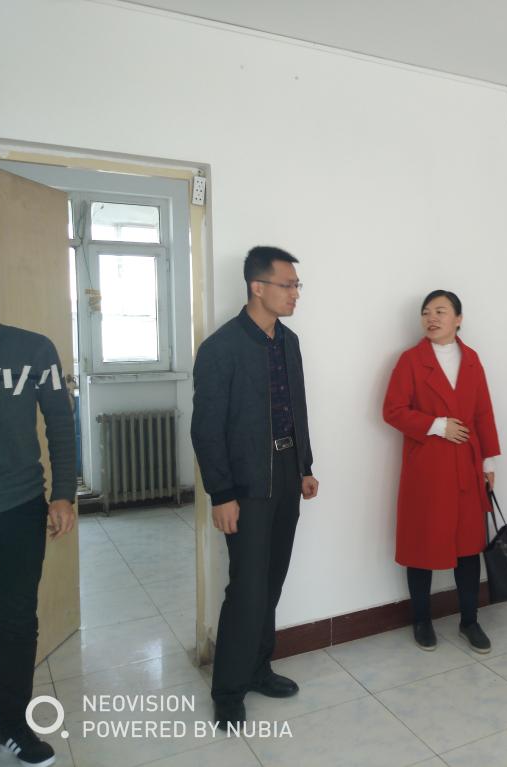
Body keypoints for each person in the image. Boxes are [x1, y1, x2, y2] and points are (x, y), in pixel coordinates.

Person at [191, 246, 319, 730]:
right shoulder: (221, 348)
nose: (295, 294)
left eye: (297, 286)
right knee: (246, 586)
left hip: (286, 473)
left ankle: (259, 668)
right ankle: (228, 690)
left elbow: (296, 408)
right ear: (257, 287)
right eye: (288, 285)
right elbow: (206, 429)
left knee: (272, 579)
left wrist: (304, 466)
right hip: (245, 484)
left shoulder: (288, 342)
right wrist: (221, 493)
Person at [0, 250, 76, 767]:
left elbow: (61, 423)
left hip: (16, 507)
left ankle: (13, 726)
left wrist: (62, 493)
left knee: (16, 620)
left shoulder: (32, 350)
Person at [383, 290, 500, 654]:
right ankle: (422, 620)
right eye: (426, 312)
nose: (431, 318)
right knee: (422, 544)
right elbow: (393, 410)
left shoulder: (471, 359)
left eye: (440, 311)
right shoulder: (410, 361)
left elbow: (483, 412)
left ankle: (470, 621)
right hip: (428, 470)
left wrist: (488, 461)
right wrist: (436, 425)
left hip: (466, 467)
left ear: (458, 319)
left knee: (468, 547)